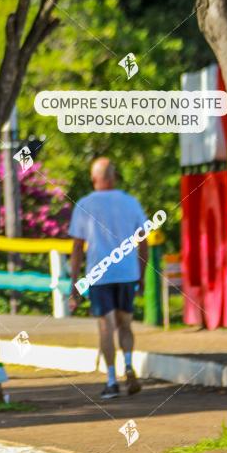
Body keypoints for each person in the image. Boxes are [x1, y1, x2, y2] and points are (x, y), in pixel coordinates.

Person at [69, 157, 146, 400]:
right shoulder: (131, 202)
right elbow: (143, 241)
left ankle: (111, 380)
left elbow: (78, 247)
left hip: (99, 273)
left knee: (106, 327)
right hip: (127, 272)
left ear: (94, 179)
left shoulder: (84, 204)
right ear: (114, 177)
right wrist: (141, 275)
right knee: (126, 324)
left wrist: (75, 283)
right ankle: (130, 366)